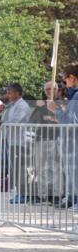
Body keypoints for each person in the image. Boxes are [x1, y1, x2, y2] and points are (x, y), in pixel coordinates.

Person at [46, 63, 78, 208]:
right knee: (70, 173)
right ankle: (71, 198)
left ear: (72, 78)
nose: (65, 84)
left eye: (65, 80)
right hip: (70, 144)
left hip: (73, 144)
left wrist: (55, 110)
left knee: (74, 173)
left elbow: (71, 122)